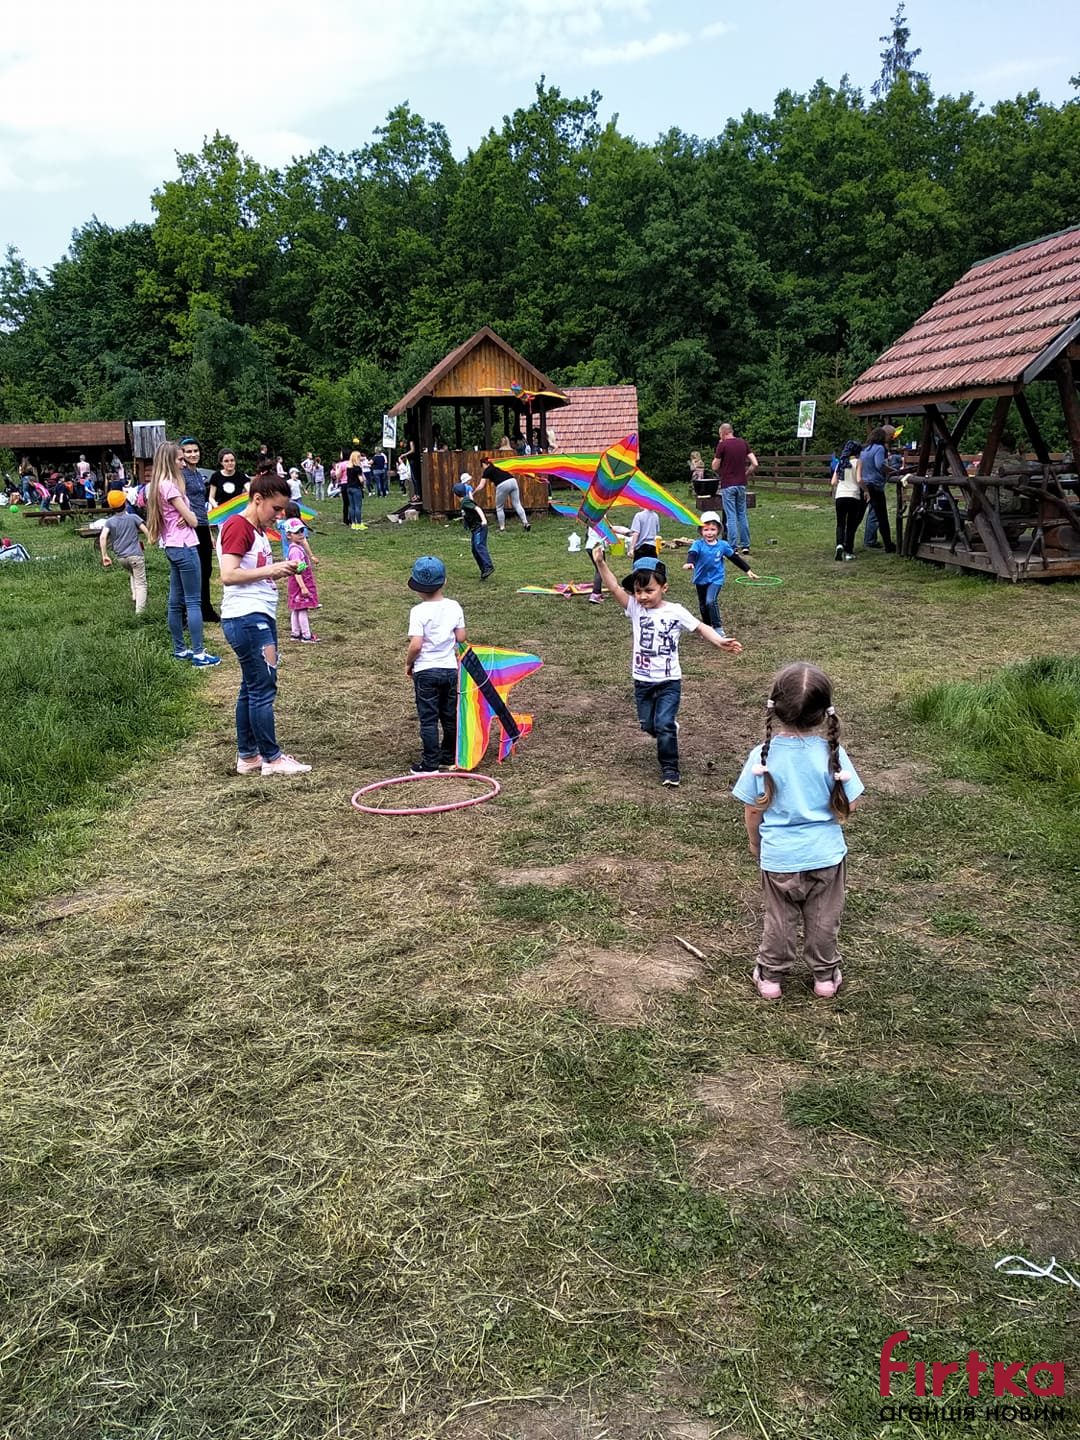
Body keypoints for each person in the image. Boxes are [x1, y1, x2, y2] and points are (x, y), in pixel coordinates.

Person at [732, 662, 863, 1000]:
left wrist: (755, 843)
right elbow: (851, 802)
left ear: (774, 708)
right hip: (826, 856)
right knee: (823, 919)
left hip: (779, 858)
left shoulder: (762, 756)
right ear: (824, 712)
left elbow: (753, 809)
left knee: (778, 919)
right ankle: (824, 978)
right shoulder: (833, 754)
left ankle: (771, 978)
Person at [592, 550, 742, 787]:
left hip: (669, 681)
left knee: (663, 725)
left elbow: (700, 627)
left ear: (664, 588)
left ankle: (670, 769)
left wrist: (718, 640)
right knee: (648, 725)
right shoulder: (635, 608)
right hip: (642, 681)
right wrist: (600, 562)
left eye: (649, 590)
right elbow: (613, 587)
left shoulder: (675, 611)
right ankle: (667, 727)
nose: (642, 596)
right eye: (638, 591)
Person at [218, 472, 311, 776]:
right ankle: (272, 758)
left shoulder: (256, 530)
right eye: (276, 508)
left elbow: (251, 571)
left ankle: (249, 757)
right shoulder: (238, 526)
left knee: (251, 687)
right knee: (262, 688)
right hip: (247, 618)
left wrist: (278, 570)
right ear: (258, 499)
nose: (279, 515)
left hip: (255, 615)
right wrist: (272, 569)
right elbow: (229, 574)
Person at [145, 441, 220, 667]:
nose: (184, 462)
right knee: (193, 601)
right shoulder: (170, 486)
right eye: (179, 459)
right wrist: (188, 516)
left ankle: (180, 649)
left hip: (171, 546)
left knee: (175, 602)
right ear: (170, 461)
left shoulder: (156, 485)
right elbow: (194, 520)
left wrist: (185, 516)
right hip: (185, 546)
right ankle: (199, 653)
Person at [405, 555, 466, 774]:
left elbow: (416, 645)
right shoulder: (454, 606)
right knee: (450, 716)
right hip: (450, 670)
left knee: (428, 718)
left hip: (426, 672)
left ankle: (430, 764)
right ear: (445, 581)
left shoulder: (418, 611)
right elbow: (461, 637)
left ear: (416, 587)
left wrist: (408, 663)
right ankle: (448, 757)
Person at [682, 510, 756, 631]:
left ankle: (717, 627)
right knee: (703, 605)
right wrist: (690, 562)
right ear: (701, 531)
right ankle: (707, 627)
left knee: (710, 601)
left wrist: (747, 570)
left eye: (713, 529)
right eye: (706, 529)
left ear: (718, 530)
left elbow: (734, 558)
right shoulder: (698, 544)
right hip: (701, 578)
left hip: (716, 578)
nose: (709, 533)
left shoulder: (723, 545)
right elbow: (693, 553)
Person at [178, 436, 220, 622]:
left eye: (195, 451)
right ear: (182, 454)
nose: (193, 454)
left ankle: (205, 608)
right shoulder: (181, 475)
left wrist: (209, 533)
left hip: (203, 524)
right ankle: (184, 612)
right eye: (188, 452)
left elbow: (202, 504)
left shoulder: (197, 474)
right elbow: (177, 498)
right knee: (190, 569)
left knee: (206, 569)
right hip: (189, 526)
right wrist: (182, 515)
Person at [99, 494, 150, 614]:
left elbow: (103, 537)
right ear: (125, 504)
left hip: (121, 558)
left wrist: (105, 555)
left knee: (133, 573)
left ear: (111, 507)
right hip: (136, 555)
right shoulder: (133, 517)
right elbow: (146, 530)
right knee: (141, 582)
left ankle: (135, 596)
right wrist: (151, 539)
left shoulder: (109, 522)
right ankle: (140, 612)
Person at [712, 423, 758, 553]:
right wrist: (746, 474)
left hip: (728, 485)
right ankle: (745, 545)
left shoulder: (722, 445)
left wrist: (719, 448)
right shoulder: (743, 443)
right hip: (741, 484)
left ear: (722, 433)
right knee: (742, 514)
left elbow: (715, 466)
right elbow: (755, 463)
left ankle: (733, 546)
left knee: (731, 516)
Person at [856, 427, 897, 552]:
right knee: (882, 516)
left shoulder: (864, 449)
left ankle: (846, 541)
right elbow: (879, 465)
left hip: (864, 485)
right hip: (875, 485)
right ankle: (888, 545)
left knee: (858, 516)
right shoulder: (879, 448)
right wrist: (893, 470)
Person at [282, 517, 319, 642]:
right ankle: (306, 635)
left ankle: (295, 633)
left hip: (296, 584)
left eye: (301, 531)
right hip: (300, 584)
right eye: (296, 532)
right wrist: (303, 587)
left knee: (296, 608)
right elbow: (297, 571)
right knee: (302, 609)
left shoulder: (296, 548)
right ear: (288, 535)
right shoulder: (296, 551)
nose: (300, 534)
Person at [454, 476, 494, 579]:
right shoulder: (464, 502)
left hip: (480, 527)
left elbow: (477, 508)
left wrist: (484, 520)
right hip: (474, 529)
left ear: (456, 494)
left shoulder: (465, 502)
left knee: (479, 546)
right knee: (474, 550)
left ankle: (488, 567)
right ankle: (484, 571)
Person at [831, 444, 866, 561]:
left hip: (840, 495)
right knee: (851, 524)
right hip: (853, 496)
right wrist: (866, 490)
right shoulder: (858, 462)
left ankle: (839, 545)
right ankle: (848, 552)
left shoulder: (840, 463)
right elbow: (859, 480)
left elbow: (833, 482)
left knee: (840, 523)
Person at [477, 457, 530, 532]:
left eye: (482, 466)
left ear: (483, 464)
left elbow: (481, 485)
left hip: (502, 484)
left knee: (499, 507)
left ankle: (502, 527)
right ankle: (526, 523)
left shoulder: (487, 470)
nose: (483, 468)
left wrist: (473, 492)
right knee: (517, 504)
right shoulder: (497, 466)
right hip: (512, 481)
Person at [345, 450, 366, 529]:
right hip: (356, 488)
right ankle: (359, 524)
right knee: (358, 507)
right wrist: (363, 484)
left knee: (352, 506)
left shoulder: (348, 468)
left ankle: (353, 523)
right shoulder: (357, 468)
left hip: (349, 487)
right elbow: (361, 479)